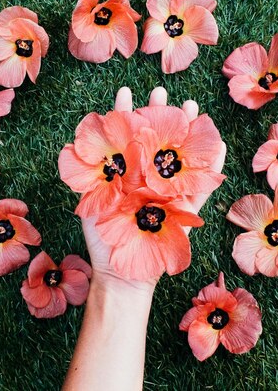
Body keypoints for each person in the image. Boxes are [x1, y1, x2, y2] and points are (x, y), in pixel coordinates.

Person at [62, 86, 226, 391]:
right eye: (164, 163)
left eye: (169, 163)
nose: (166, 164)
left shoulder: (159, 190)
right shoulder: (125, 180)